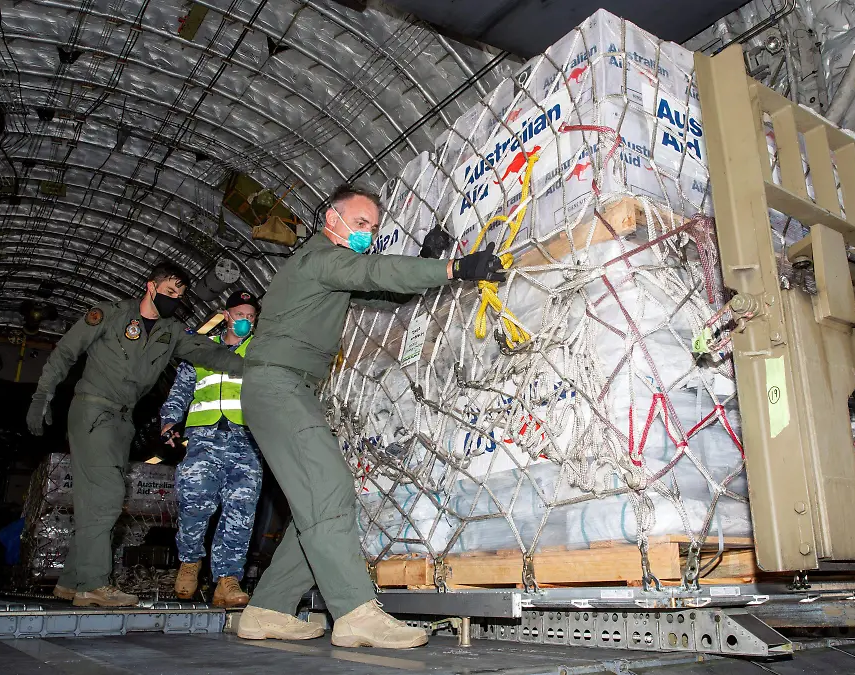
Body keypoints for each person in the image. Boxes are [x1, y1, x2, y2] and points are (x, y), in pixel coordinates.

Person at [235, 184, 504, 648]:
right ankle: (355, 613)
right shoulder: (318, 257)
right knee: (329, 489)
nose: (368, 234)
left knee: (316, 503)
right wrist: (454, 268)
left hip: (291, 387)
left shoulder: (333, 269)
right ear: (330, 219)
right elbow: (375, 268)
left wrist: (423, 258)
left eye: (373, 228)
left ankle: (268, 608)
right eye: (361, 224)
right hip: (276, 384)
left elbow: (384, 294)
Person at [27, 262, 245, 608]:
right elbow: (67, 351)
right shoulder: (110, 315)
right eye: (170, 292)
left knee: (92, 500)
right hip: (93, 411)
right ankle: (94, 585)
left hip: (122, 421)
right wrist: (43, 395)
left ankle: (71, 582)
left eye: (181, 295)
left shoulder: (171, 331)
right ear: (151, 287)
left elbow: (210, 354)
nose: (176, 299)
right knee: (109, 495)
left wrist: (256, 366)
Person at [158, 289, 262, 608]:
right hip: (204, 439)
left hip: (247, 441)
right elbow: (182, 389)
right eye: (239, 314)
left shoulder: (259, 351)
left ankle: (227, 580)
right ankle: (189, 564)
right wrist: (169, 422)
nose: (244, 320)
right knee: (194, 502)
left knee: (241, 510)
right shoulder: (201, 349)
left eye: (250, 316)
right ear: (226, 315)